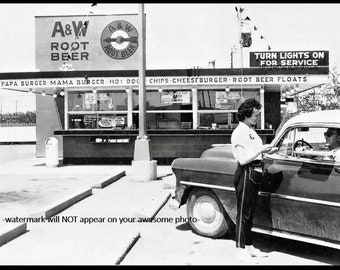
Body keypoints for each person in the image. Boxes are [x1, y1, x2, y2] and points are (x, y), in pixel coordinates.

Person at [231, 98, 274, 259]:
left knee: (250, 211)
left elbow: (254, 152)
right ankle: (240, 248)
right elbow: (242, 159)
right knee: (244, 212)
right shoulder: (239, 132)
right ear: (247, 115)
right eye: (255, 115)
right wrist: (261, 149)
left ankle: (248, 245)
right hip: (245, 173)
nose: (257, 117)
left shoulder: (250, 131)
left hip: (254, 173)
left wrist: (265, 151)